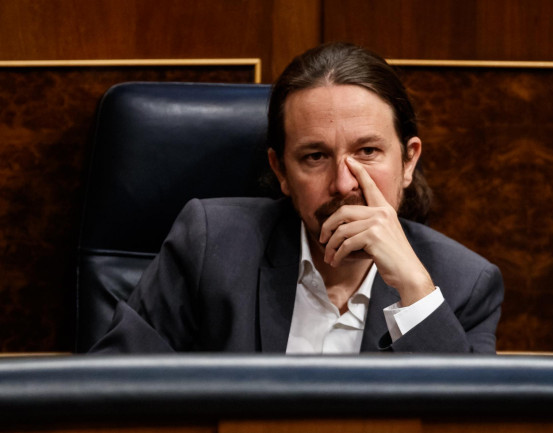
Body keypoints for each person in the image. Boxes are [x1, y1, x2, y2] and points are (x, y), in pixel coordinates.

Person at [90, 42, 504, 354]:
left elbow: (465, 421)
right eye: (315, 156)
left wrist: (413, 290)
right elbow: (113, 393)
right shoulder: (210, 246)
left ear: (408, 161)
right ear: (281, 171)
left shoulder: (465, 284)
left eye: (367, 152)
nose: (344, 184)